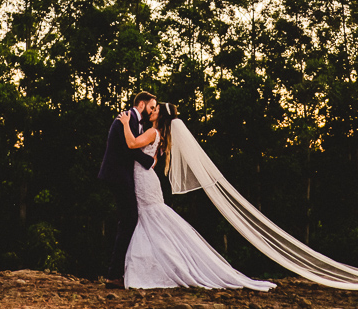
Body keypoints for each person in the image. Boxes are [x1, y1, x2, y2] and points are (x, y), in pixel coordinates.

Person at [117, 102, 276, 291]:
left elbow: (132, 144)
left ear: (162, 116)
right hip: (145, 178)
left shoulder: (153, 132)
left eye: (156, 110)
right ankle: (158, 266)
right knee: (150, 219)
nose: (152, 112)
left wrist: (126, 123)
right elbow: (153, 161)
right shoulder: (159, 135)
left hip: (145, 181)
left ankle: (154, 269)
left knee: (150, 217)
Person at [98, 91, 157, 289]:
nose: (152, 111)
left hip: (122, 175)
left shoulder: (136, 121)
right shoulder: (127, 118)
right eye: (151, 106)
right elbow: (127, 148)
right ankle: (114, 274)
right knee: (130, 218)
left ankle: (118, 272)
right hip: (117, 174)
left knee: (128, 218)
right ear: (141, 104)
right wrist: (148, 161)